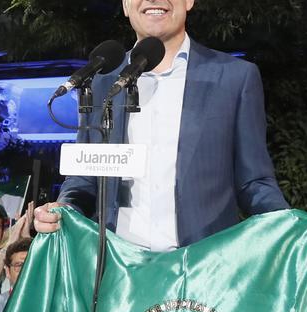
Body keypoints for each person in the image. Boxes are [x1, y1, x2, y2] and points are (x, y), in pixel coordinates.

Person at [33, 0, 288, 248]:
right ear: (125, 5)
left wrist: (289, 225)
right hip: (118, 268)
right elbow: (85, 178)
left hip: (203, 269)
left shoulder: (234, 78)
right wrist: (64, 207)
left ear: (189, 1)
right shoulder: (101, 81)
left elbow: (253, 182)